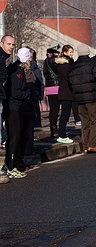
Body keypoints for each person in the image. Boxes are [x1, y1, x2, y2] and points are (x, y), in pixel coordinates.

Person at [3, 48, 36, 178]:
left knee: (15, 136)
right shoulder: (17, 72)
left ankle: (12, 163)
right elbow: (15, 92)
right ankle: (11, 166)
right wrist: (27, 94)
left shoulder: (17, 69)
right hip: (13, 107)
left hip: (14, 106)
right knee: (14, 137)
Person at [68, 44, 96, 153]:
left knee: (84, 121)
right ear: (88, 52)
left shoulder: (73, 67)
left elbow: (69, 82)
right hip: (92, 96)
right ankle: (92, 144)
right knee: (94, 119)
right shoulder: (92, 64)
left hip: (79, 98)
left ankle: (84, 145)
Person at [0, 35, 15, 183]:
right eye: (8, 44)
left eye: (13, 44)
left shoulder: (3, 59)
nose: (11, 46)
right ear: (1, 43)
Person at [26, 47, 44, 155]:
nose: (30, 59)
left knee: (31, 125)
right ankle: (28, 148)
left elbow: (40, 84)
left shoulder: (35, 69)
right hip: (26, 99)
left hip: (33, 99)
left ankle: (29, 147)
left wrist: (40, 96)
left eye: (31, 57)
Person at [56, 45, 76, 144]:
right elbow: (68, 78)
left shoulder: (67, 64)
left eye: (72, 52)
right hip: (66, 91)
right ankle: (61, 134)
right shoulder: (64, 65)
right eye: (70, 52)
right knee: (65, 113)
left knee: (66, 113)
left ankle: (62, 133)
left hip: (67, 91)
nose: (72, 54)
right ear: (65, 52)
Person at [43, 48, 60, 138]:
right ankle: (56, 129)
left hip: (49, 88)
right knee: (56, 110)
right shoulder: (55, 61)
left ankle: (52, 129)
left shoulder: (45, 62)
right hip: (57, 87)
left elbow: (45, 74)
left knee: (52, 110)